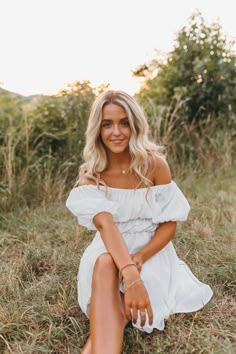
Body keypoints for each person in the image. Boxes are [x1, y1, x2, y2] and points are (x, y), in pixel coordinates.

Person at [66, 90, 213, 354]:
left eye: (124, 122)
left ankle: (98, 343)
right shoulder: (91, 174)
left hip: (149, 252)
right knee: (104, 261)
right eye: (107, 124)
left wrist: (141, 258)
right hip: (110, 247)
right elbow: (106, 227)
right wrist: (131, 275)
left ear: (135, 125)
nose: (116, 132)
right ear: (97, 129)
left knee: (115, 306)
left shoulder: (155, 165)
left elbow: (169, 223)